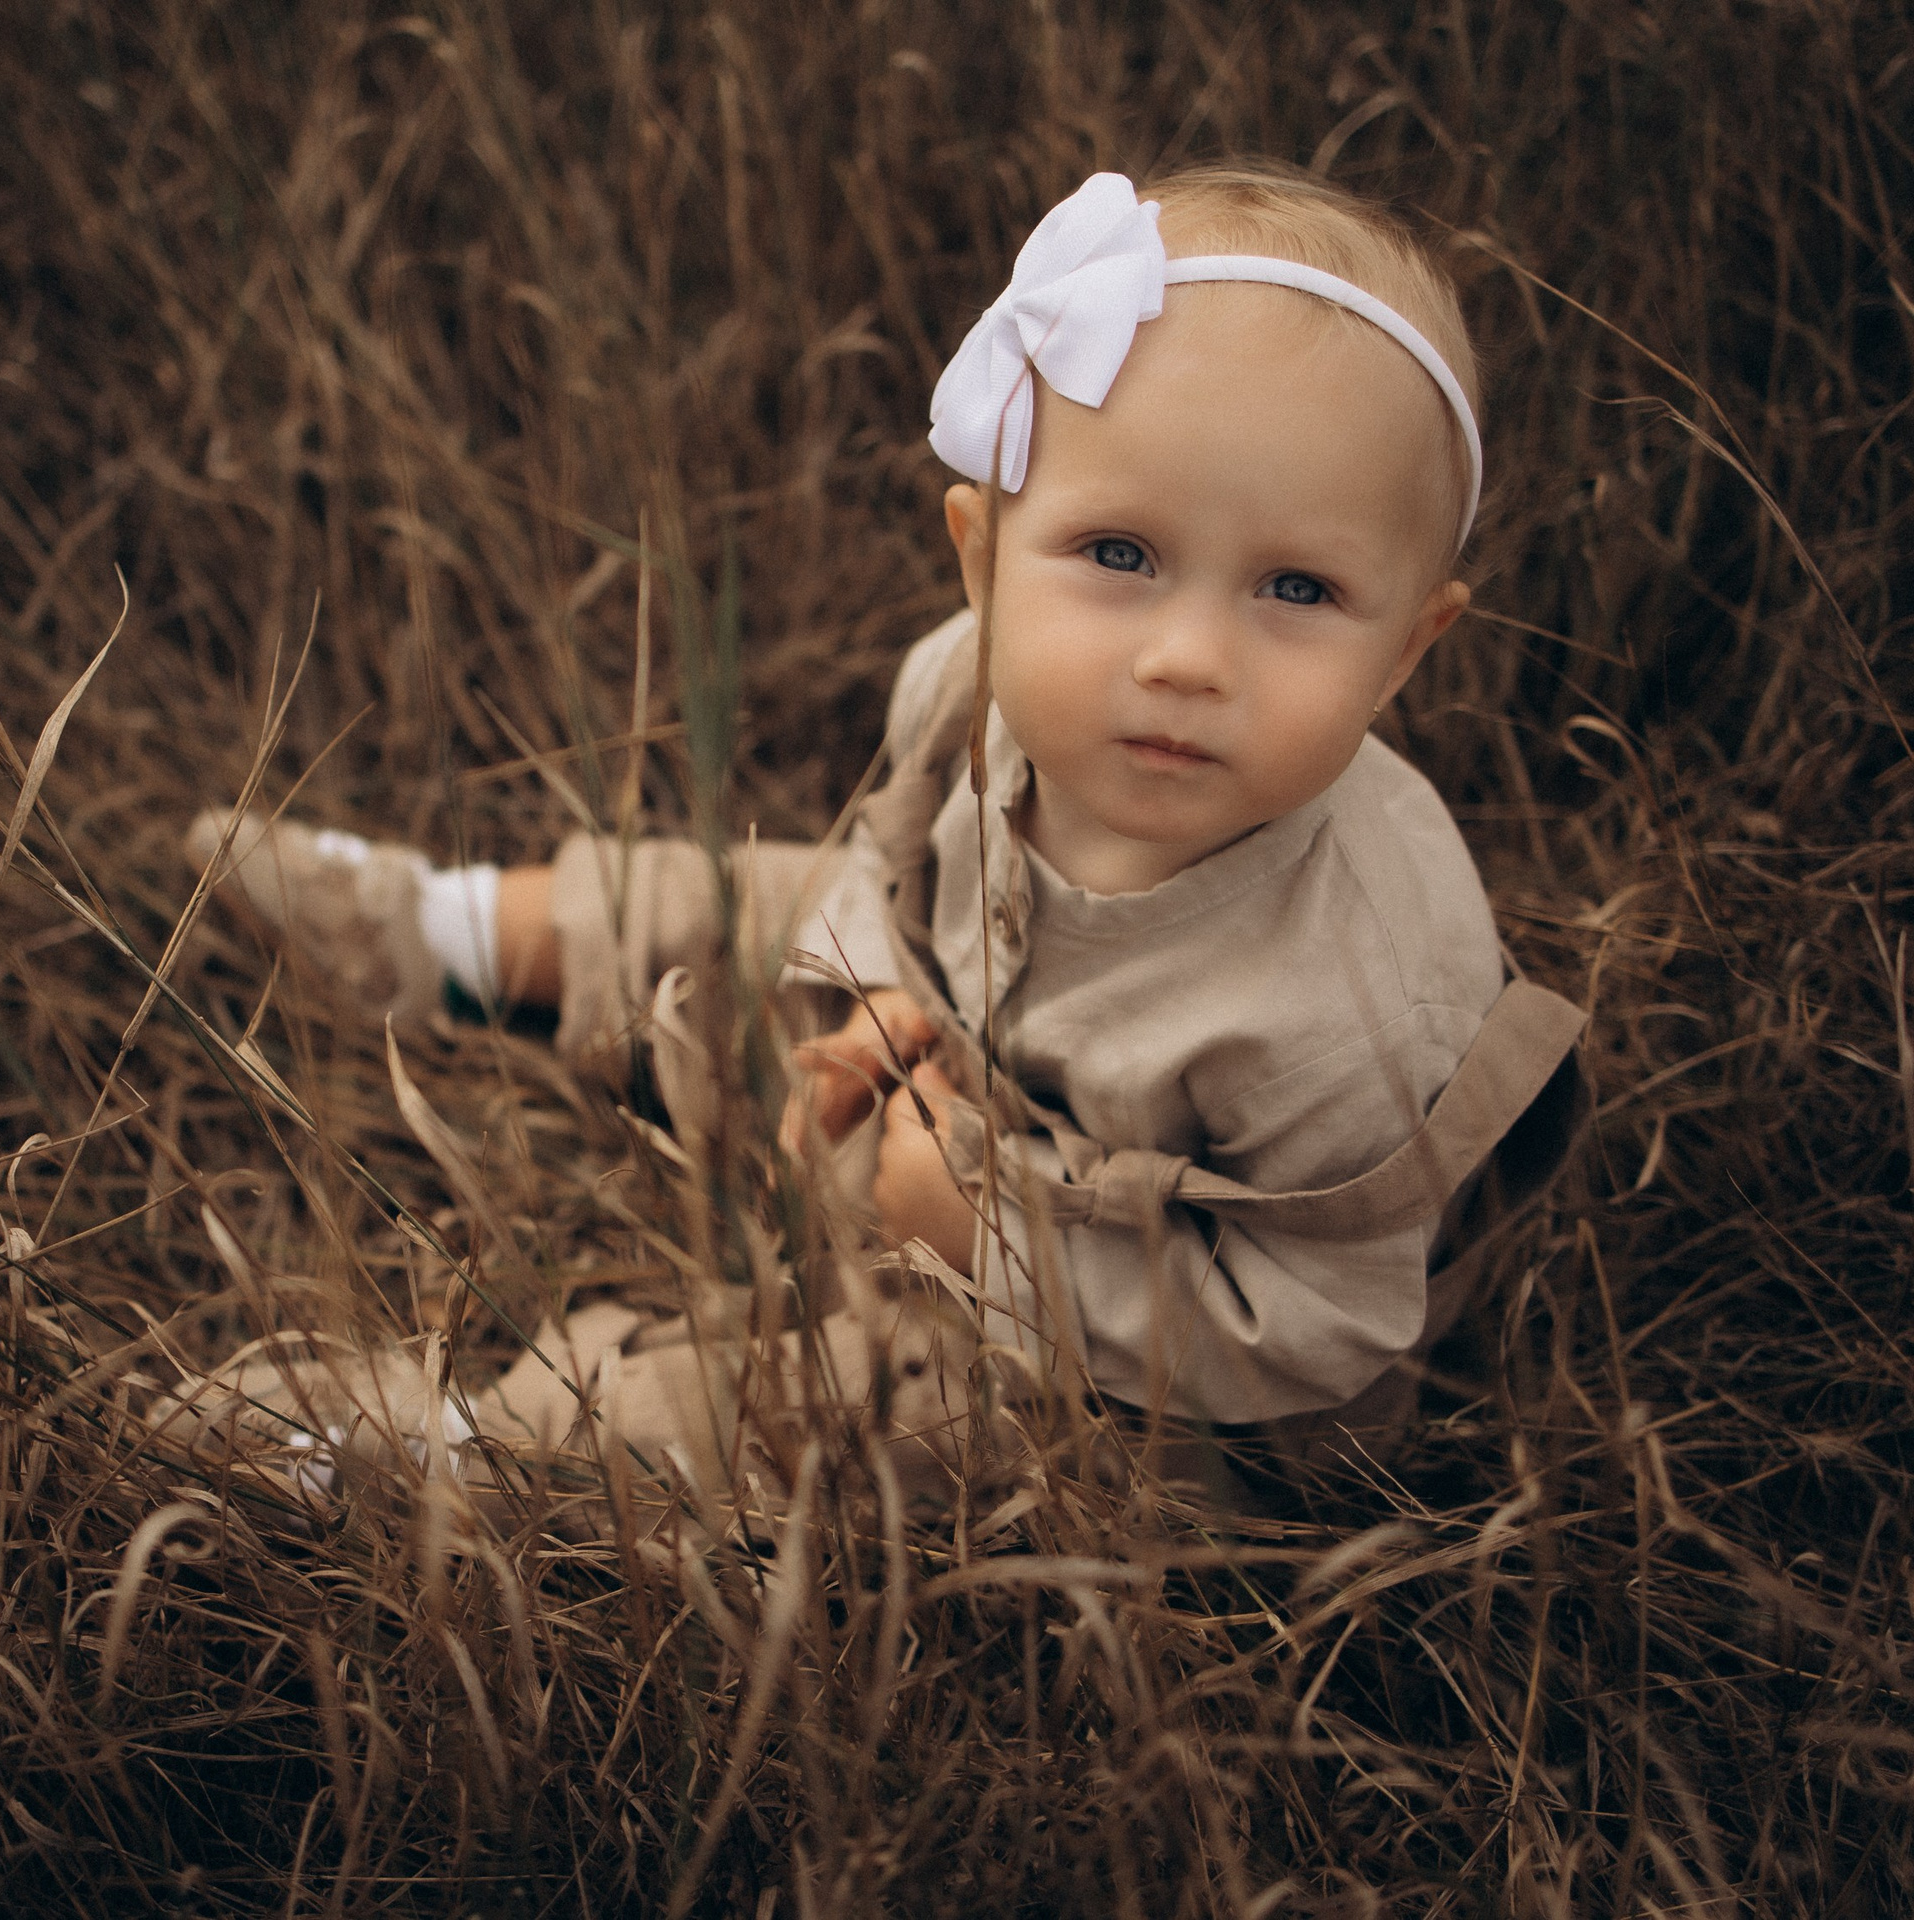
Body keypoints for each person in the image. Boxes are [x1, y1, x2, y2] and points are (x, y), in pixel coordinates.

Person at [164, 162, 1584, 1519]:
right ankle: (450, 936)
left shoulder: (1361, 995)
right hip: (943, 1067)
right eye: (1121, 556)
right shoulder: (967, 684)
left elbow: (1317, 1330)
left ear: (1408, 649)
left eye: (1297, 586)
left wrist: (991, 1247)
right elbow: (876, 862)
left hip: (1149, 1395)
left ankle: (462, 1450)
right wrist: (872, 988)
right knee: (746, 900)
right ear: (981, 553)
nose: (1189, 655)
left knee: (872, 1421)